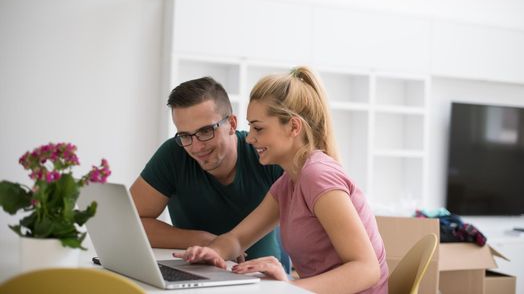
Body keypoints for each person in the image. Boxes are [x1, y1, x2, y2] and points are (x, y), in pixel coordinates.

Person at [175, 67, 388, 294]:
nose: (250, 138)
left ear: (294, 127)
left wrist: (289, 287)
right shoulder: (289, 182)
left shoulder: (318, 176)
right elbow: (237, 238)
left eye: (258, 128)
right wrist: (213, 252)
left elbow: (367, 269)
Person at [130, 76, 284, 262]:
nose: (196, 147)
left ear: (232, 124)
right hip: (196, 276)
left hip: (262, 279)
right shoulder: (174, 153)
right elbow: (130, 224)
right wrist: (203, 240)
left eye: (205, 131)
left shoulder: (265, 154)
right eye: (185, 135)